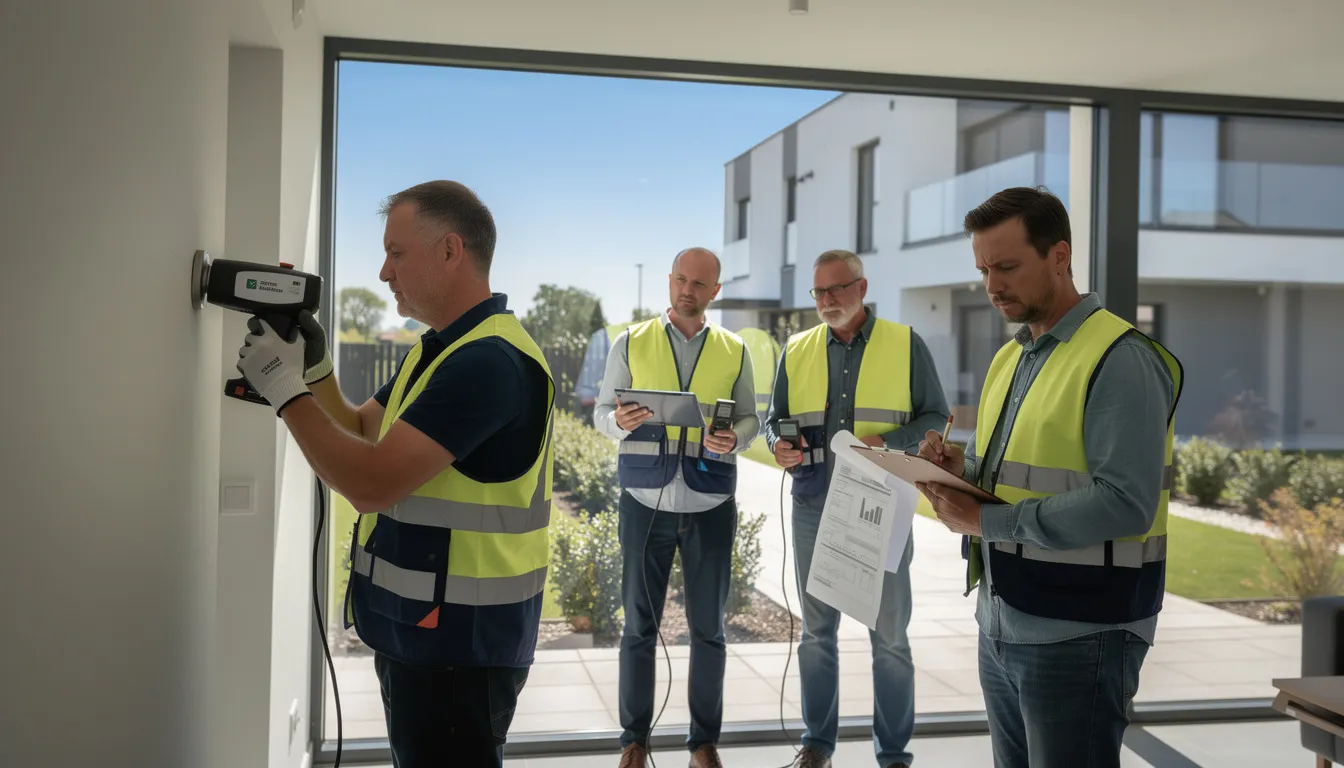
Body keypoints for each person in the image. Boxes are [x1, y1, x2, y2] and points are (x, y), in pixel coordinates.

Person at [234, 180, 555, 768]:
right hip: (425, 638)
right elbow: (360, 431)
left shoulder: (488, 363)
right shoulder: (436, 352)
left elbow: (371, 484)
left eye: (396, 253)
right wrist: (315, 366)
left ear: (451, 251)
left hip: (462, 651)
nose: (384, 272)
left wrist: (283, 391)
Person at [915, 186, 1182, 768]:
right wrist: (961, 471)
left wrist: (986, 519)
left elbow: (1125, 503)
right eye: (984, 269)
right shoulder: (1012, 357)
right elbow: (1022, 473)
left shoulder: (1120, 358)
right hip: (1003, 616)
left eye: (1007, 266)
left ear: (1059, 256)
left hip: (1083, 630)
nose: (992, 286)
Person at [764, 249, 950, 768]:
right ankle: (817, 746)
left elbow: (936, 414)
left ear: (861, 288)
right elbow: (773, 419)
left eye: (836, 290)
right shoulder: (795, 349)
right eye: (818, 293)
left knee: (889, 636)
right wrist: (777, 444)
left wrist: (889, 440)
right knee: (817, 634)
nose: (826, 301)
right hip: (812, 505)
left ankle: (893, 755)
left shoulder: (905, 343)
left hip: (882, 507)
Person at [593, 247, 759, 768]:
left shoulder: (734, 349)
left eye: (699, 283)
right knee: (639, 625)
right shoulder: (631, 341)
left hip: (710, 502)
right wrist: (618, 423)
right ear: (670, 281)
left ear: (715, 291)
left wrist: (737, 440)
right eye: (681, 280)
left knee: (709, 628)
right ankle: (633, 742)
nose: (687, 290)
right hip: (645, 501)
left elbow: (753, 419)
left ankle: (703, 743)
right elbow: (601, 412)